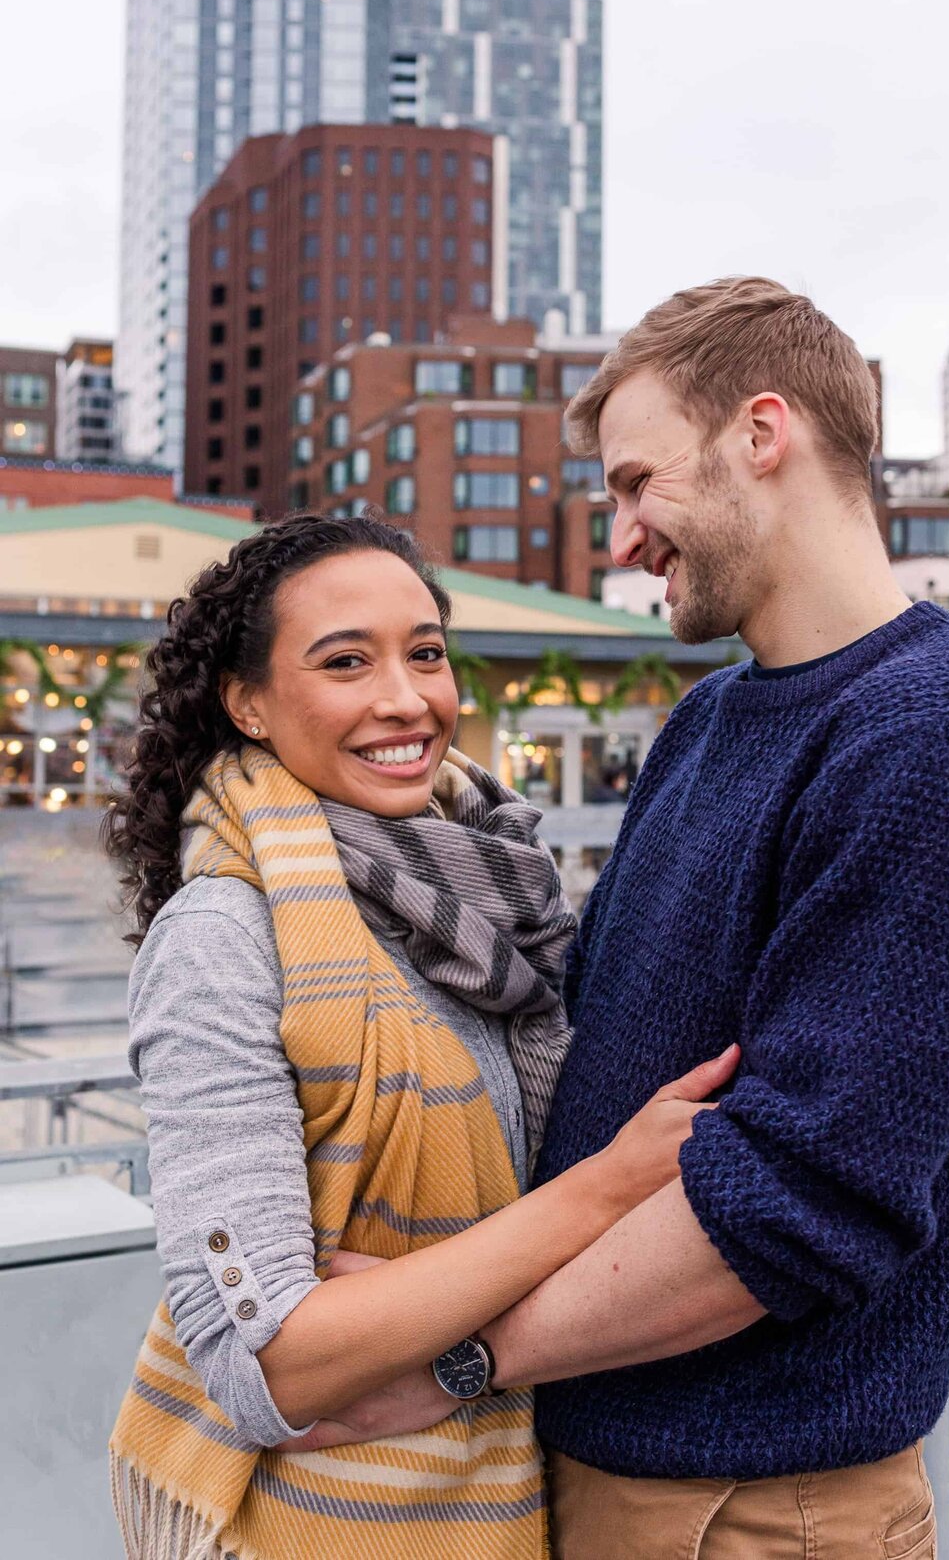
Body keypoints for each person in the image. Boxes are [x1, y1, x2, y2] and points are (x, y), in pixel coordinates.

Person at [310, 278, 949, 1559]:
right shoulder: (714, 721)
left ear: (761, 434)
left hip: (756, 1508)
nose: (621, 538)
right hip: (606, 1465)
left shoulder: (939, 740)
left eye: (634, 482)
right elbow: (590, 1034)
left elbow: (795, 1203)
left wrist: (450, 1355)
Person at [102, 513, 736, 1560]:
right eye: (346, 660)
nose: (408, 698)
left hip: (505, 1490)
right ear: (247, 702)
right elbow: (269, 1366)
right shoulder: (223, 934)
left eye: (427, 652)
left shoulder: (488, 892)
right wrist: (606, 1187)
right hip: (313, 1522)